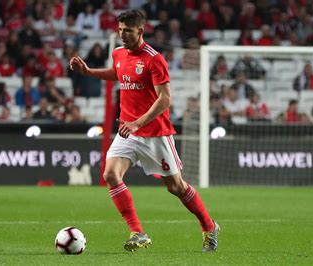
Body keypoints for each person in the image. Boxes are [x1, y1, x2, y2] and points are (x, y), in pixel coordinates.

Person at [69, 10, 219, 253]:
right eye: (119, 30)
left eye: (127, 30)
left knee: (176, 187)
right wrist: (88, 72)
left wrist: (138, 123)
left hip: (155, 133)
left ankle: (209, 226)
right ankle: (138, 232)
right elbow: (118, 73)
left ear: (140, 30)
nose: (122, 35)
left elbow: (165, 99)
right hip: (128, 131)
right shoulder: (118, 53)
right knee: (110, 174)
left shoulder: (154, 59)